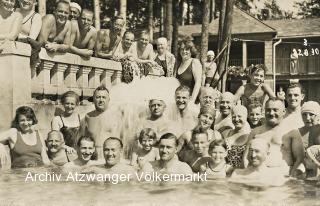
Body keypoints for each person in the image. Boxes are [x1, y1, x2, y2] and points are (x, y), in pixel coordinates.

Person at [244, 98, 289, 175]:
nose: (271, 113)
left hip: (281, 176)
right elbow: (246, 158)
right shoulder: (255, 132)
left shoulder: (291, 132)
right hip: (257, 175)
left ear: (284, 111)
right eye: (268, 110)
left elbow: (299, 160)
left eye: (275, 110)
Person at [81, 86, 121, 160]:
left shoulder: (116, 116)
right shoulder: (88, 117)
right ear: (93, 99)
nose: (101, 100)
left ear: (109, 99)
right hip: (92, 156)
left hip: (110, 156)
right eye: (98, 97)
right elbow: (82, 139)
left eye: (103, 97)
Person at [282, 101, 320, 177]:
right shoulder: (296, 133)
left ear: (318, 116)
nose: (307, 118)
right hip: (302, 169)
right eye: (304, 115)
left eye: (311, 114)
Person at [222, 105, 251, 169]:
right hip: (226, 172)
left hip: (242, 173)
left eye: (239, 116)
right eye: (234, 117)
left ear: (246, 117)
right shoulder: (226, 133)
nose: (236, 119)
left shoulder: (251, 135)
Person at [176, 38, 202, 104]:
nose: (184, 51)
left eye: (187, 49)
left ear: (191, 51)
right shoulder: (178, 64)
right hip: (180, 101)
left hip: (191, 101)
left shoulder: (195, 62)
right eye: (182, 49)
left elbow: (198, 83)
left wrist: (192, 101)